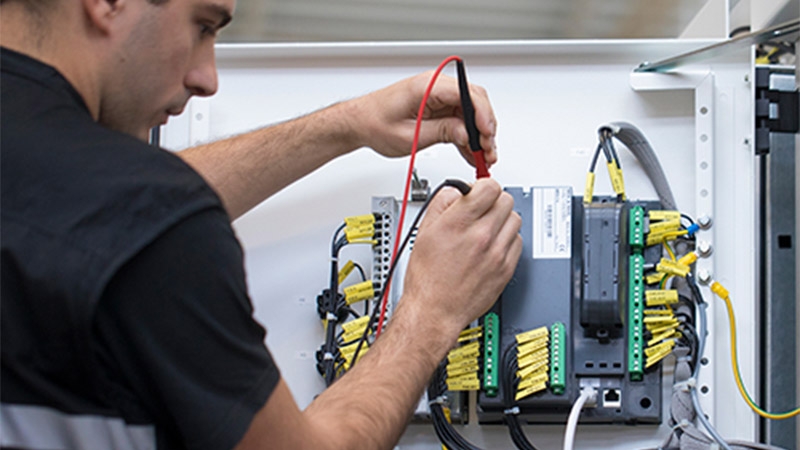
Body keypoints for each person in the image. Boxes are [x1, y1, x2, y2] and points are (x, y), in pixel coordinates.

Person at [0, 0, 522, 448]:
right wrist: (432, 312)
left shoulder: (86, 194)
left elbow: (99, 205)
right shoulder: (147, 217)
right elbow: (130, 209)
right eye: (203, 25)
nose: (207, 79)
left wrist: (344, 125)